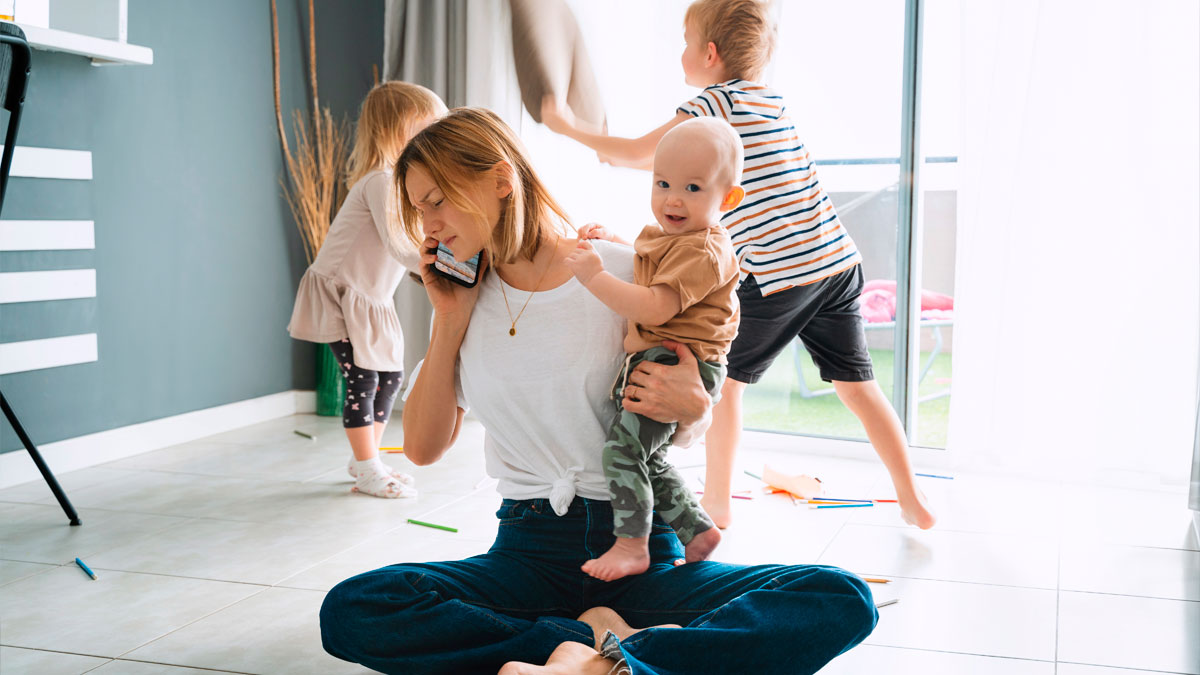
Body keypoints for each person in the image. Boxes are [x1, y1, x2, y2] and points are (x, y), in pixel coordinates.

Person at [318, 107, 877, 675]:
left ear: (501, 180)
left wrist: (696, 408)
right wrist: (449, 318)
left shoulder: (623, 274)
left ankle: (585, 659)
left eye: (436, 201)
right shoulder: (462, 301)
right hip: (527, 554)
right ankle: (605, 648)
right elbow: (422, 448)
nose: (428, 226)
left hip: (641, 552)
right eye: (418, 210)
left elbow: (685, 409)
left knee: (837, 596)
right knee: (356, 607)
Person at [540, 0, 937, 531]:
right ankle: (911, 496)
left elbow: (636, 154)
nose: (681, 52)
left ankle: (718, 502)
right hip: (835, 262)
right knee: (858, 386)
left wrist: (569, 128)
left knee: (724, 385)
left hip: (777, 274)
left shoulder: (713, 105)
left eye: (686, 43)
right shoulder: (771, 101)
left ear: (710, 53)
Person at [563, 117, 745, 582]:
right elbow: (656, 269)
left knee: (621, 453)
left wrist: (594, 276)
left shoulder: (705, 250)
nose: (673, 199)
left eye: (692, 188)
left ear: (727, 199)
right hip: (663, 358)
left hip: (677, 362)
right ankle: (697, 530)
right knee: (648, 455)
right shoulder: (679, 239)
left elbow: (656, 304)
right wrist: (616, 244)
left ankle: (632, 545)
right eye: (662, 183)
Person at [287, 82, 447, 499]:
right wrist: (438, 265)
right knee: (363, 378)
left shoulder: (400, 182)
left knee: (389, 378)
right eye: (427, 124)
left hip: (371, 298)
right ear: (396, 128)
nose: (435, 133)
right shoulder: (381, 180)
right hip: (342, 295)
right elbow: (398, 244)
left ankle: (365, 460)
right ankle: (366, 465)